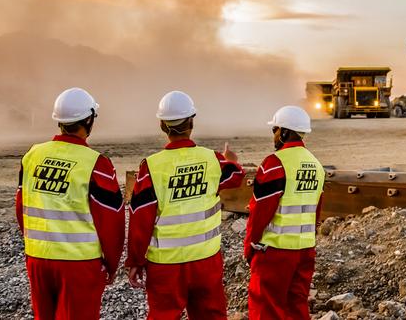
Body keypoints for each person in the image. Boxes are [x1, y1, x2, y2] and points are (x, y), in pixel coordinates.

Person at [126, 90, 245, 320]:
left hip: (165, 265)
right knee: (211, 314)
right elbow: (235, 176)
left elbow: (140, 217)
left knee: (162, 315)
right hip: (206, 260)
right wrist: (231, 160)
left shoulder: (151, 167)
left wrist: (136, 260)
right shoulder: (212, 159)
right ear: (192, 122)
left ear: (162, 125)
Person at [16, 87, 125, 320]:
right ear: (88, 119)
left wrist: (33, 246)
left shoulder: (33, 155)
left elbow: (21, 207)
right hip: (78, 264)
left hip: (38, 259)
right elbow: (111, 223)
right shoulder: (96, 164)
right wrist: (111, 264)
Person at [244, 106, 324, 320]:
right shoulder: (316, 165)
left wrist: (250, 246)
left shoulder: (274, 163)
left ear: (285, 132)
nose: (275, 136)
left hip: (276, 251)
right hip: (305, 250)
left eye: (275, 130)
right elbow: (315, 210)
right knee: (296, 308)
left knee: (266, 308)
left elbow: (260, 211)